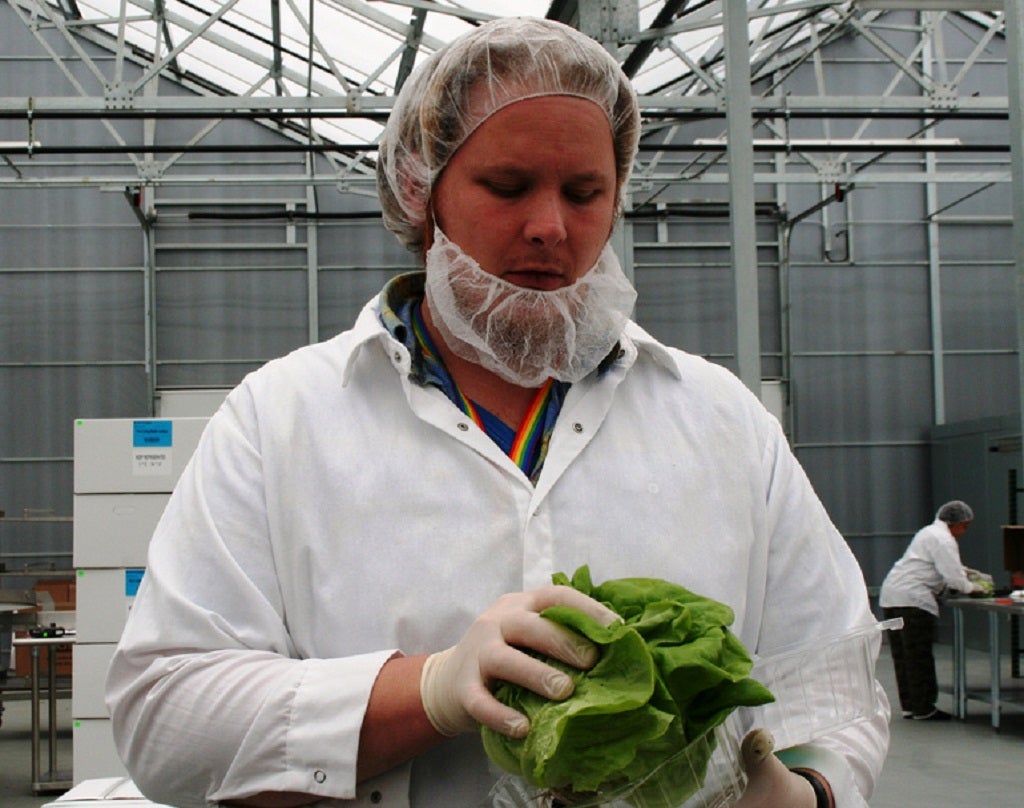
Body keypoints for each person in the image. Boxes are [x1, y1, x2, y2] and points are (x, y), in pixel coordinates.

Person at [105, 17, 888, 808]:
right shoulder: (282, 421)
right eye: (508, 187)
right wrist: (432, 689)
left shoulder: (721, 422)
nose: (551, 226)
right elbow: (164, 716)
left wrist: (812, 788)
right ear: (420, 194)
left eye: (585, 193)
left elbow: (835, 683)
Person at [880, 500, 986, 721]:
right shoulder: (944, 540)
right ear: (956, 523)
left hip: (891, 598)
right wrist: (974, 587)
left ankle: (910, 705)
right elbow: (954, 579)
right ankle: (924, 707)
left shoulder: (927, 532)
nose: (963, 532)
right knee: (918, 655)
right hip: (913, 602)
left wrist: (963, 572)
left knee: (903, 654)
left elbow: (932, 564)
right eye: (964, 527)